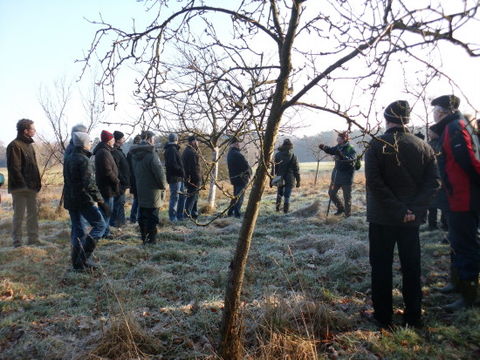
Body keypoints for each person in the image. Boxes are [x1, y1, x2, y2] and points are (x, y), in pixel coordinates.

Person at [365, 100, 440, 328]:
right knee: (411, 267)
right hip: (411, 220)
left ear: (387, 119)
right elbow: (434, 182)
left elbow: (375, 183)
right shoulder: (423, 146)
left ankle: (383, 317)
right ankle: (414, 315)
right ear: (407, 120)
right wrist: (413, 210)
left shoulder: (377, 145)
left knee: (381, 266)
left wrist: (399, 210)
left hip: (383, 219)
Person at [430, 95, 480, 311]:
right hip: (454, 198)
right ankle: (458, 283)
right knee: (456, 242)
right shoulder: (450, 127)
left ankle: (469, 296)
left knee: (466, 245)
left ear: (442, 112)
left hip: (463, 198)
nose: (433, 114)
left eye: (435, 110)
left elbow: (469, 162)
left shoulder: (455, 127)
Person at [64, 132, 107, 270]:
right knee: (100, 226)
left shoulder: (69, 157)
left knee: (78, 231)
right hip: (83, 200)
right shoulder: (83, 160)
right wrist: (101, 202)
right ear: (84, 144)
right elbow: (90, 184)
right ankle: (82, 259)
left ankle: (77, 264)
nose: (91, 144)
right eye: (89, 142)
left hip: (71, 200)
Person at [7, 119, 42, 247]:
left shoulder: (30, 146)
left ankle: (33, 240)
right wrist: (24, 186)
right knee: (19, 216)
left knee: (33, 214)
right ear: (25, 131)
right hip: (19, 189)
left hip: (31, 188)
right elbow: (15, 169)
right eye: (33, 129)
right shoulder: (14, 145)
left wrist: (38, 183)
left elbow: (34, 167)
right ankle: (17, 243)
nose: (35, 131)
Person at [129, 131, 167, 244]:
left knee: (143, 215)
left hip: (141, 189)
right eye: (154, 139)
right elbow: (159, 173)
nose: (154, 141)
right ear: (150, 139)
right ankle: (152, 240)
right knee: (153, 216)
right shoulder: (152, 155)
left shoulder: (134, 155)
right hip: (153, 190)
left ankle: (144, 238)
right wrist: (164, 186)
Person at [319, 131, 357, 217]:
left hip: (347, 177)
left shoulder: (350, 148)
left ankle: (347, 215)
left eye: (339, 138)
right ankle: (340, 208)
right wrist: (324, 147)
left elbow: (351, 161)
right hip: (336, 176)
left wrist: (342, 156)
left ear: (344, 139)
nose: (337, 139)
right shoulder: (338, 147)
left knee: (347, 198)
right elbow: (331, 150)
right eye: (337, 138)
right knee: (331, 193)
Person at [93, 130, 120, 239]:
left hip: (107, 187)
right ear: (108, 140)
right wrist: (116, 180)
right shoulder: (103, 152)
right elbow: (107, 171)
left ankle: (105, 231)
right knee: (106, 211)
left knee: (106, 210)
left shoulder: (104, 150)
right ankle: (104, 233)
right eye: (112, 139)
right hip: (106, 187)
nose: (114, 140)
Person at [271, 138, 300, 214]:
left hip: (280, 177)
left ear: (283, 145)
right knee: (287, 195)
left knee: (279, 193)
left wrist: (272, 179)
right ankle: (285, 211)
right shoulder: (293, 156)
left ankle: (277, 209)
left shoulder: (277, 155)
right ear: (290, 146)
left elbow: (274, 169)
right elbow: (296, 170)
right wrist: (298, 181)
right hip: (290, 178)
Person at [227, 136, 252, 218]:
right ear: (233, 144)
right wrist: (249, 172)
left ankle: (230, 212)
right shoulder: (237, 155)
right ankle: (237, 214)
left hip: (234, 178)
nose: (238, 144)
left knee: (235, 197)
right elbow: (245, 167)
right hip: (241, 179)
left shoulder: (230, 154)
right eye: (236, 143)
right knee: (239, 197)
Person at [110, 131, 130, 228]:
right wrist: (122, 180)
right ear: (117, 140)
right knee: (118, 203)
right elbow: (116, 169)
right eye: (122, 138)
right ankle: (116, 224)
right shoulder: (114, 152)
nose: (124, 139)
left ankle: (121, 223)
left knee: (120, 203)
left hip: (122, 182)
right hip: (119, 183)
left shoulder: (118, 150)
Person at [164, 133, 185, 222]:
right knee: (175, 197)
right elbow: (173, 165)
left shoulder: (171, 149)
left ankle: (179, 216)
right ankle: (173, 218)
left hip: (177, 177)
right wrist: (181, 171)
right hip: (175, 177)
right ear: (176, 139)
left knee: (181, 196)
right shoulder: (172, 149)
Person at [182, 135, 202, 219]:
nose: (198, 143)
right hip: (193, 179)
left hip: (191, 178)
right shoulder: (191, 152)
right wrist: (197, 178)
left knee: (195, 197)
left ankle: (194, 214)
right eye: (196, 141)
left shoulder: (189, 151)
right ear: (193, 142)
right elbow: (194, 168)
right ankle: (187, 215)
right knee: (192, 197)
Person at [127, 134, 142, 223]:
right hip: (137, 179)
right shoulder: (136, 153)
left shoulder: (130, 153)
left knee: (137, 199)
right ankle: (134, 217)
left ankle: (133, 217)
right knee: (138, 199)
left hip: (133, 179)